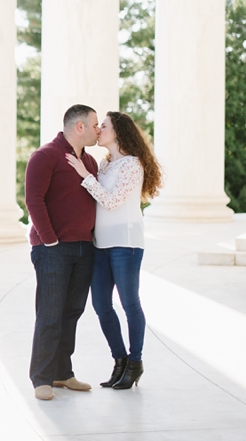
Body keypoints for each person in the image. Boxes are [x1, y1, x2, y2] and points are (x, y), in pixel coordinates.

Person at [65, 111, 162, 390]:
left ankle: (135, 362)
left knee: (130, 304)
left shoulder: (132, 165)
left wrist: (84, 174)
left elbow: (110, 201)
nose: (98, 130)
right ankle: (119, 360)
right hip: (100, 244)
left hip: (126, 244)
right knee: (101, 305)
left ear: (117, 132)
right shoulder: (104, 165)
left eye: (103, 126)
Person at [25, 104, 101, 401]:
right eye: (95, 125)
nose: (98, 130)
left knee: (71, 313)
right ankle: (41, 377)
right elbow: (33, 200)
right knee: (50, 314)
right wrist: (49, 240)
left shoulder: (91, 162)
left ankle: (62, 373)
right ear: (79, 126)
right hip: (53, 249)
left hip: (85, 247)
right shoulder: (45, 156)